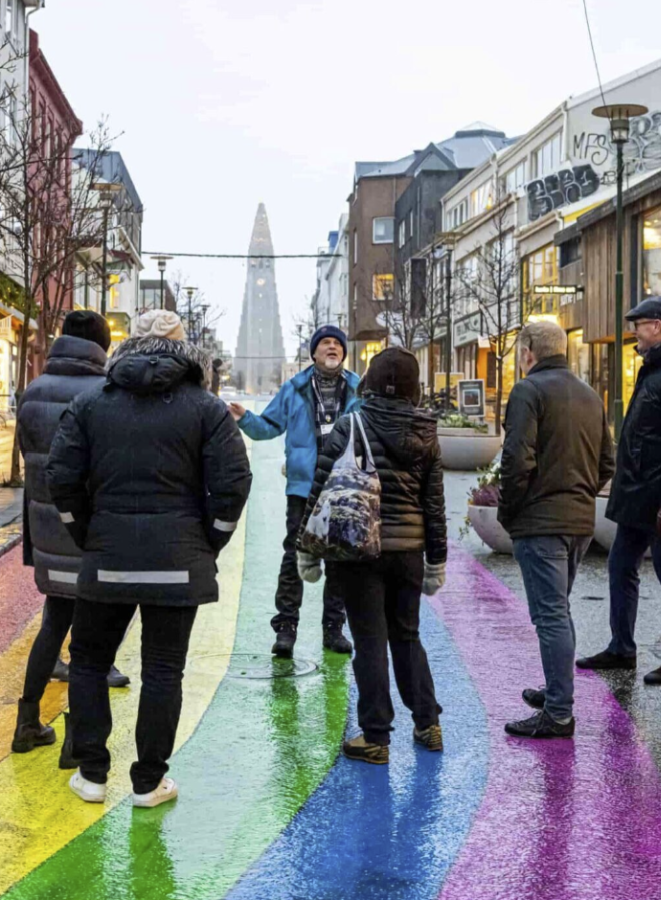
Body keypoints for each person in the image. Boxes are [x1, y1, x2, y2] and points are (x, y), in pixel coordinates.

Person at [48, 310, 251, 808]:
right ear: (185, 350)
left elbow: (62, 477)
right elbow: (233, 483)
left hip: (108, 556)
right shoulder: (206, 409)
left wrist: (86, 534)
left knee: (90, 662)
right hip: (178, 562)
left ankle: (93, 774)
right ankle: (148, 781)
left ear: (127, 347)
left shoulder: (91, 403)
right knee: (165, 670)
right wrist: (209, 541)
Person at [298, 347, 445, 764]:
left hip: (359, 551)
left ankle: (376, 736)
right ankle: (428, 723)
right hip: (410, 552)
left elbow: (321, 488)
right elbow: (434, 505)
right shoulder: (427, 432)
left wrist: (305, 550)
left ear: (371, 383)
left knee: (369, 641)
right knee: (407, 635)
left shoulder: (350, 424)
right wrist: (437, 559)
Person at [11, 310, 129, 758]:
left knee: (53, 624)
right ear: (102, 347)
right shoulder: (104, 393)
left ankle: (27, 721)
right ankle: (77, 738)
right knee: (91, 641)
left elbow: (28, 455)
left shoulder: (34, 390)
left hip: (45, 527)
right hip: (90, 529)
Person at [577, 296, 661, 685]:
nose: (634, 331)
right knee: (620, 565)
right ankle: (621, 648)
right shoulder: (657, 368)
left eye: (638, 324)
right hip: (640, 493)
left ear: (657, 326)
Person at [496, 321, 614, 739]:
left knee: (550, 616)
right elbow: (606, 465)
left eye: (518, 350)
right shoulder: (589, 395)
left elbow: (516, 461)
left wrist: (509, 512)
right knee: (557, 612)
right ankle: (556, 690)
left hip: (540, 522)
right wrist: (577, 495)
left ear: (528, 351)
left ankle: (560, 713)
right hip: (578, 521)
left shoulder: (528, 391)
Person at [228, 324, 359, 658]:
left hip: (343, 486)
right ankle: (286, 629)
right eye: (325, 343)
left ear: (343, 352)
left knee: (339, 561)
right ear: (313, 352)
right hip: (303, 487)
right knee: (295, 558)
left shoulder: (359, 389)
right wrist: (245, 418)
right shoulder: (295, 388)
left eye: (337, 344)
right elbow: (269, 426)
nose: (332, 348)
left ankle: (334, 628)